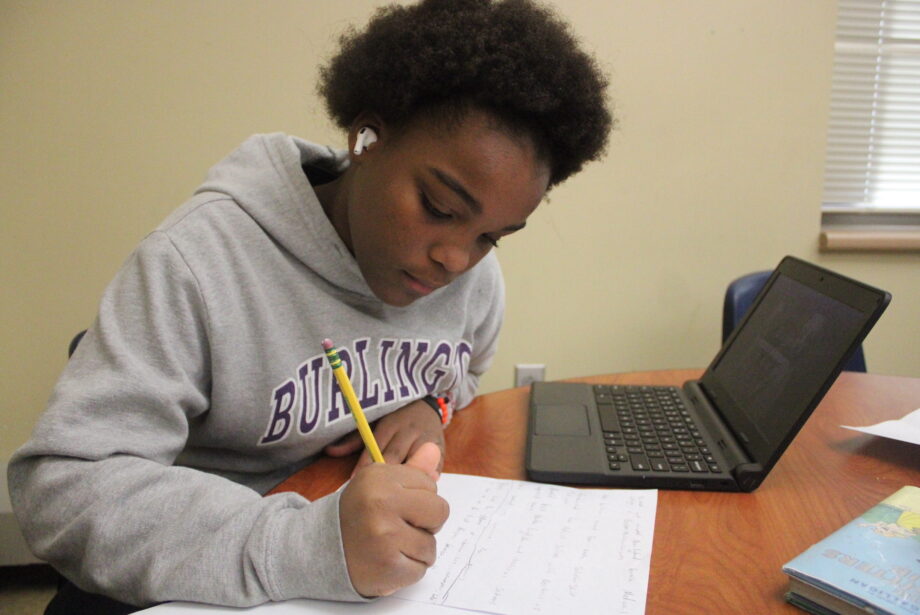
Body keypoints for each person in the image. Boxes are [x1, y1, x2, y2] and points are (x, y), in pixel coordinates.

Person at [8, 0, 612, 612]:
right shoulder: (198, 261)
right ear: (366, 138)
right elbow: (62, 489)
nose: (457, 260)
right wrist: (306, 545)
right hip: (186, 578)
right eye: (438, 206)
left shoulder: (474, 281)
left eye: (491, 236)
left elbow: (463, 374)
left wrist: (433, 406)